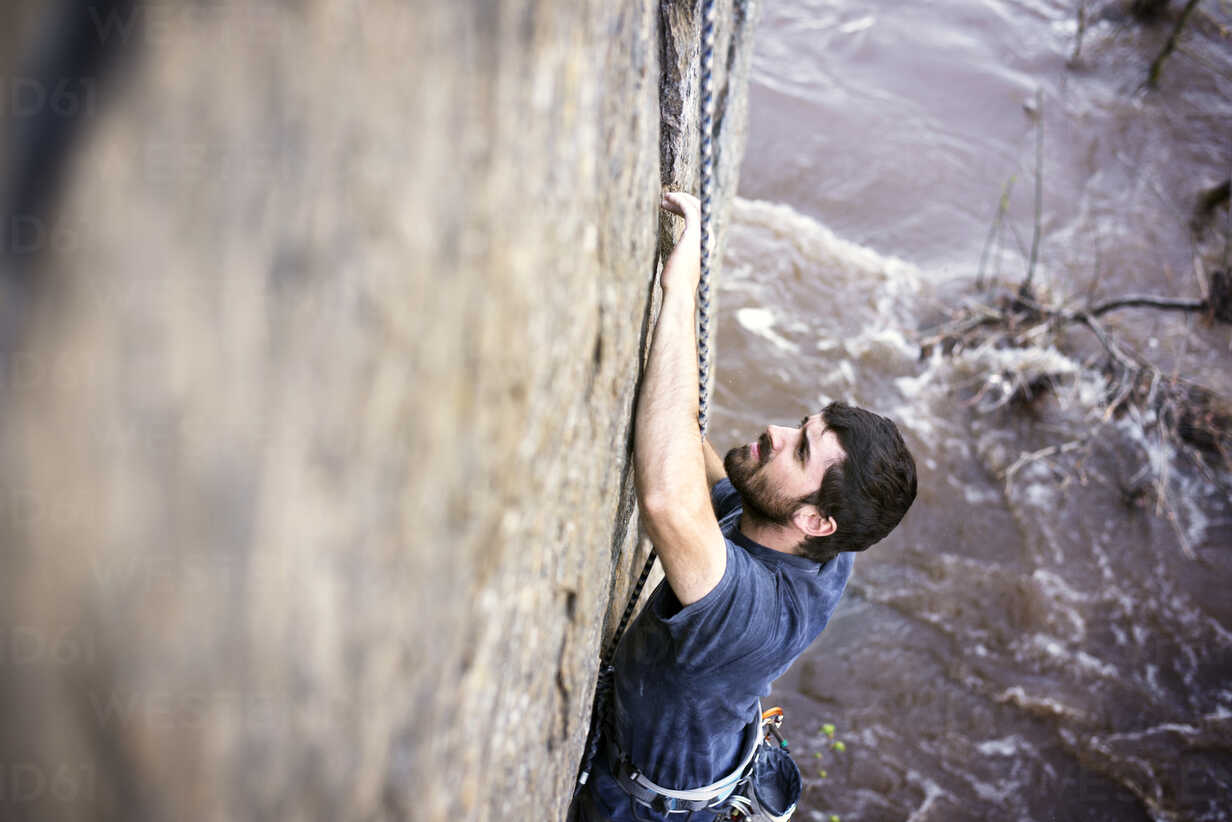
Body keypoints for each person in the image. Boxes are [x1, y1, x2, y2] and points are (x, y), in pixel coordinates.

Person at [570, 191, 917, 822]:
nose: (778, 434)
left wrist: (681, 288)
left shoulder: (754, 615)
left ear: (816, 521)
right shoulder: (819, 541)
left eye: (800, 447)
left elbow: (670, 500)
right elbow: (689, 458)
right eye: (801, 424)